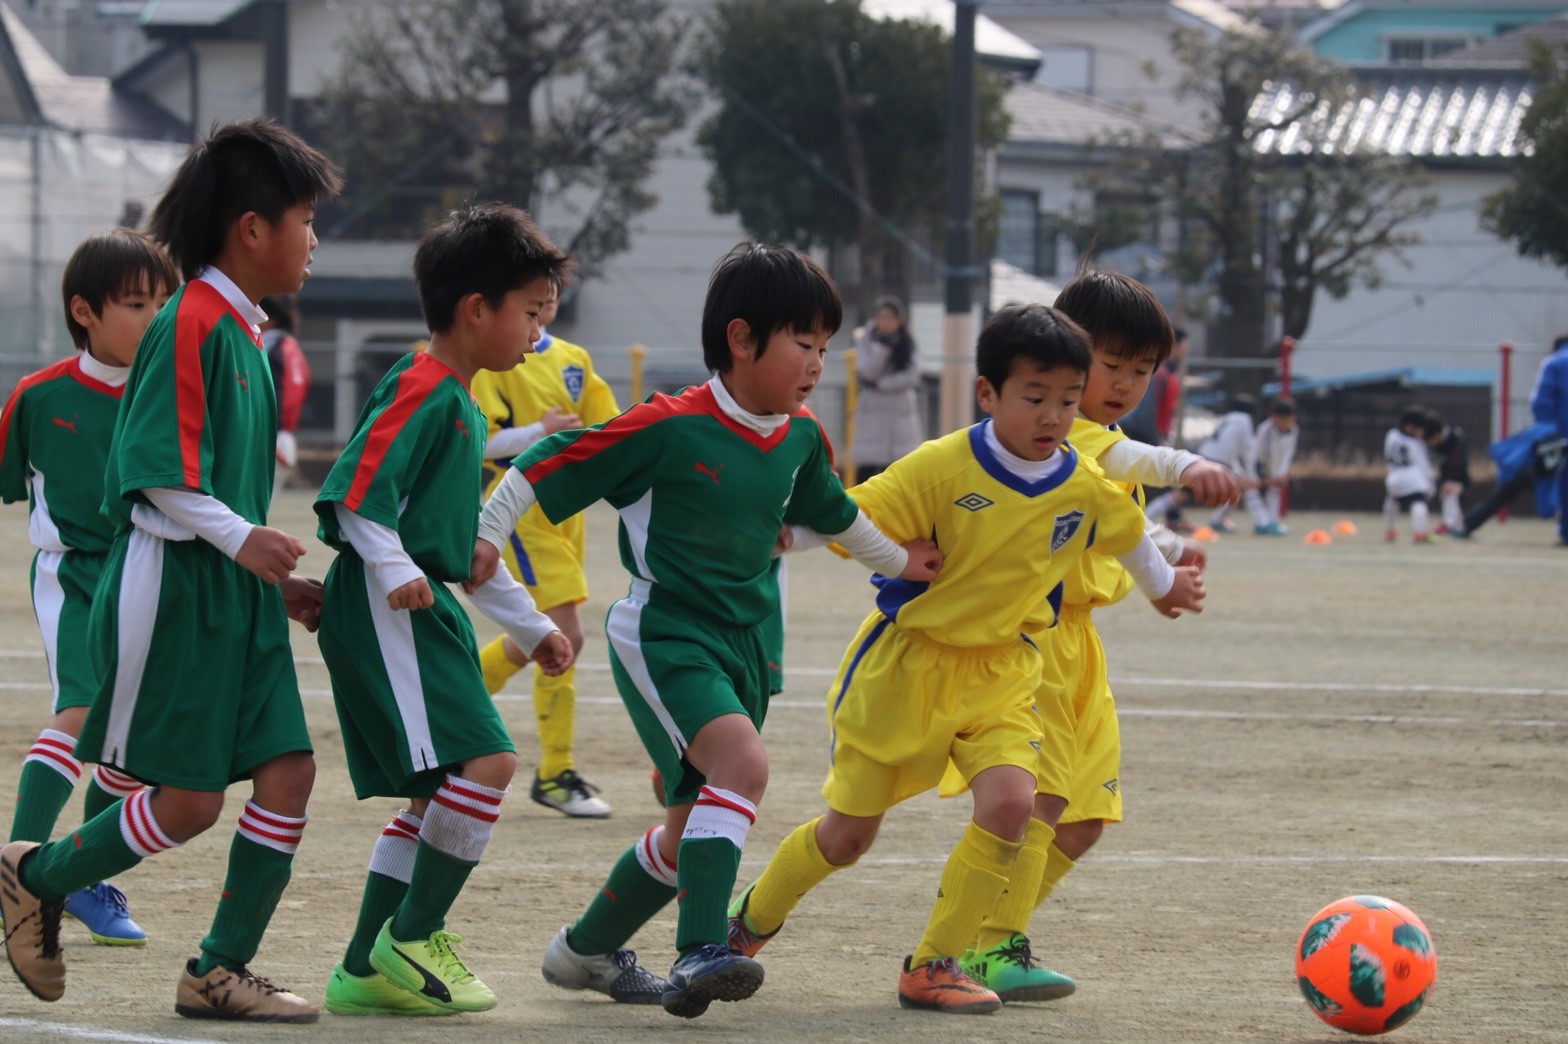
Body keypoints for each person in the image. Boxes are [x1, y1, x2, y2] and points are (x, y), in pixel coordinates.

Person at [470, 242, 940, 1019]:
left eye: (826, 347)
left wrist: (899, 563)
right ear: (742, 339)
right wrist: (487, 532)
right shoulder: (668, 425)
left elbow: (835, 514)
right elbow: (548, 460)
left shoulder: (798, 439)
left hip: (748, 645)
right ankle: (701, 952)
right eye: (804, 344)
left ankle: (583, 951)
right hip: (664, 634)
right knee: (744, 766)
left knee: (690, 827)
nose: (819, 363)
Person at [724, 302, 1200, 1015]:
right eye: (1034, 398)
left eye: (1068, 402)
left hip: (1004, 672)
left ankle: (934, 963)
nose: (1053, 416)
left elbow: (1127, 530)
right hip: (909, 670)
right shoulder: (941, 467)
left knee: (1013, 802)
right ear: (988, 394)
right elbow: (849, 515)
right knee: (847, 836)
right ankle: (747, 924)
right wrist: (778, 541)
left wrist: (1166, 590)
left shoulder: (1079, 480)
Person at [0, 117, 341, 1020]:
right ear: (253, 228)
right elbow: (149, 479)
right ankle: (38, 874)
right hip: (180, 590)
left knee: (289, 773)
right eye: (306, 219)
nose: (315, 240)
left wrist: (272, 574)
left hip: (237, 594)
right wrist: (244, 541)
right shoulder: (190, 322)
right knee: (187, 803)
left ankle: (217, 969)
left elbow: (213, 485)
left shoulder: (242, 332)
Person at [931, 273, 1225, 1003]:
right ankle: (987, 946)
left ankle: (983, 937)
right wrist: (1188, 469)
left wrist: (1164, 548)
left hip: (1084, 647)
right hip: (1041, 642)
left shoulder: (1094, 438)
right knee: (1045, 800)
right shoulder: (1073, 434)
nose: (1124, 382)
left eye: (1142, 369)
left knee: (1086, 819)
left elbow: (1116, 521)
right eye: (1110, 362)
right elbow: (1131, 467)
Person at [314, 202, 575, 1016]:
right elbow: (356, 496)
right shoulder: (423, 386)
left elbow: (466, 552)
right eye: (530, 312)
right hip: (389, 606)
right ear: (475, 310)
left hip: (417, 605)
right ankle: (413, 935)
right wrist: (392, 565)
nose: (537, 332)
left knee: (433, 795)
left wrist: (532, 628)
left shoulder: (461, 405)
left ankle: (362, 966)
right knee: (490, 764)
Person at [0, 230, 178, 949]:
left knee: (130, 743)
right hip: (73, 576)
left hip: (152, 573)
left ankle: (77, 877)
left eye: (164, 304)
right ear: (84, 311)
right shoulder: (39, 398)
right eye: (138, 304)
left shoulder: (168, 396)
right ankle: (16, 872)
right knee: (80, 712)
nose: (154, 318)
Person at [471, 285, 621, 819]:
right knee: (568, 636)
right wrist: (542, 432)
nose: (549, 297)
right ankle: (555, 773)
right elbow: (480, 442)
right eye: (535, 292)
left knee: (544, 640)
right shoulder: (498, 360)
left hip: (567, 516)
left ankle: (456, 692)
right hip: (522, 513)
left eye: (554, 288)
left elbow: (612, 429)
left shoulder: (575, 359)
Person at [1145, 393, 1258, 532]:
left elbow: (1228, 448)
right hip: (1216, 461)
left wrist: (1241, 472)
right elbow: (1247, 450)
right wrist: (1251, 474)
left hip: (1205, 457)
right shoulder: (1244, 419)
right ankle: (1146, 516)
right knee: (1181, 495)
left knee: (1233, 487)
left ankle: (1218, 519)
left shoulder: (1227, 418)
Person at [851, 295, 922, 480]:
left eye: (890, 317)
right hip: (872, 409)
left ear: (899, 320)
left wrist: (881, 385)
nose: (885, 322)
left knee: (897, 471)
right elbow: (866, 371)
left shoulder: (908, 341)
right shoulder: (866, 339)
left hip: (899, 410)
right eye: (881, 317)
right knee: (866, 470)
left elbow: (912, 376)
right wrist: (882, 349)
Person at [1454, 422, 1567, 538]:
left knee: (1497, 500)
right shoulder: (1554, 433)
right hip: (1527, 474)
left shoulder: (1547, 429)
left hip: (1532, 475)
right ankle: (1465, 525)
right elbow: (1534, 451)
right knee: (1498, 500)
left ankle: (1465, 525)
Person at [259, 294, 310, 497]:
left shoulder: (269, 346)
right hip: (285, 435)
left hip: (270, 435)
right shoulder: (292, 347)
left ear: (269, 319)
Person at [1528, 332, 1568, 545]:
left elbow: (1540, 404)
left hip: (1564, 435)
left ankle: (1566, 533)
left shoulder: (1554, 363)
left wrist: (1547, 430)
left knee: (1565, 485)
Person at [1384, 406, 1437, 543]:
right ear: (1409, 427)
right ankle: (1419, 532)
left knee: (1392, 502)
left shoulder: (1391, 435)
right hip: (1413, 478)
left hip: (1393, 476)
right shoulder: (1416, 443)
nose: (1421, 432)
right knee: (1418, 503)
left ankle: (1390, 530)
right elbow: (1423, 465)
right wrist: (1430, 484)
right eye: (1419, 428)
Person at [1247, 397, 1299, 536]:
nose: (1283, 423)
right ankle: (1262, 523)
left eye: (1287, 419)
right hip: (1256, 463)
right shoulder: (1266, 429)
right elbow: (1259, 453)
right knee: (1248, 490)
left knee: (1274, 491)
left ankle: (1270, 523)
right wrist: (1264, 476)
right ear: (1273, 417)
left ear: (1293, 417)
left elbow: (1288, 453)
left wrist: (1282, 473)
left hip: (1273, 467)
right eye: (1280, 419)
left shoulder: (1294, 430)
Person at [1422, 409, 1469, 537]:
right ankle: (1449, 522)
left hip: (1458, 477)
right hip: (1445, 476)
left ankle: (1453, 524)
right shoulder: (1438, 443)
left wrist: (1456, 481)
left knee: (1450, 493)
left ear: (1437, 434)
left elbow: (1460, 463)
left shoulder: (1456, 438)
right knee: (1444, 494)